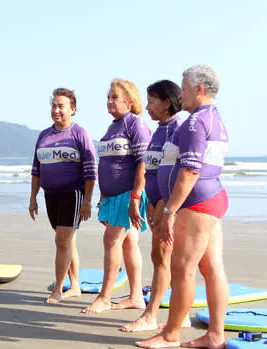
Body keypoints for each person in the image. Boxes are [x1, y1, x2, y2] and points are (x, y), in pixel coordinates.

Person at [135, 65, 229, 349]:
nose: (181, 93)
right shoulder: (215, 118)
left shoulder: (195, 122)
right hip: (210, 198)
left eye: (185, 87)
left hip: (196, 203)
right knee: (211, 268)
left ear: (199, 89)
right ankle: (214, 335)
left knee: (182, 268)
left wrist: (170, 211)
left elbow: (190, 170)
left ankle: (171, 334)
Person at [82, 79, 151, 314]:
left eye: (115, 97)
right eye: (108, 97)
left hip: (128, 194)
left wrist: (135, 196)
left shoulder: (136, 125)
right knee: (129, 242)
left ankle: (104, 297)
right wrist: (103, 197)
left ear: (129, 101)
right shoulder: (113, 127)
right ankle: (136, 297)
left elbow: (143, 163)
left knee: (111, 241)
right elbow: (108, 164)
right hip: (111, 196)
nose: (109, 101)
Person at [121, 80, 184, 332]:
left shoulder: (179, 128)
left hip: (170, 205)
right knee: (165, 258)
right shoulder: (159, 130)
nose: (146, 107)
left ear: (167, 101)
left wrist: (166, 207)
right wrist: (145, 200)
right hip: (155, 202)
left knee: (163, 257)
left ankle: (151, 315)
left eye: (151, 101)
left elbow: (182, 172)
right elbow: (152, 169)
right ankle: (180, 312)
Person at [29, 88, 97, 304]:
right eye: (54, 106)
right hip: (51, 195)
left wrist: (87, 200)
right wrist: (33, 198)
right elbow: (36, 169)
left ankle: (58, 289)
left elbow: (90, 169)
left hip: (73, 193)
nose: (56, 110)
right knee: (67, 242)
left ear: (72, 109)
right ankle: (75, 286)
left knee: (62, 240)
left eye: (61, 106)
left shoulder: (80, 134)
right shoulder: (44, 136)